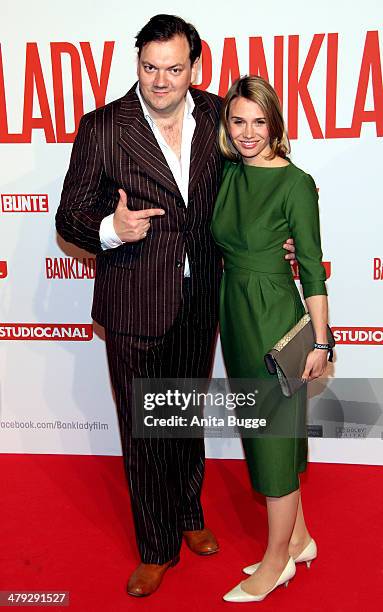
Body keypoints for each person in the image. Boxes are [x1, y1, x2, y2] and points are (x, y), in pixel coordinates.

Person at [56, 15, 296, 597]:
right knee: (145, 428)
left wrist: (280, 232)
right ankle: (156, 546)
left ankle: (189, 514)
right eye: (149, 67)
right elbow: (69, 218)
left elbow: (257, 183)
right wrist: (111, 228)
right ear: (136, 63)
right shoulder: (104, 128)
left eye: (174, 68)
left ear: (195, 66)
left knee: (184, 414)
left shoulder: (220, 116)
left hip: (202, 296)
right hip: (134, 299)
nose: (160, 81)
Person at [211, 75, 331, 603]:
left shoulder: (295, 183)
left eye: (259, 121)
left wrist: (322, 344)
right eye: (238, 121)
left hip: (274, 322)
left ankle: (277, 559)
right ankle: (301, 539)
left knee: (274, 442)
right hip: (235, 317)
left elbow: (311, 270)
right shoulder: (229, 175)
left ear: (275, 123)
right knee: (264, 435)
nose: (248, 132)